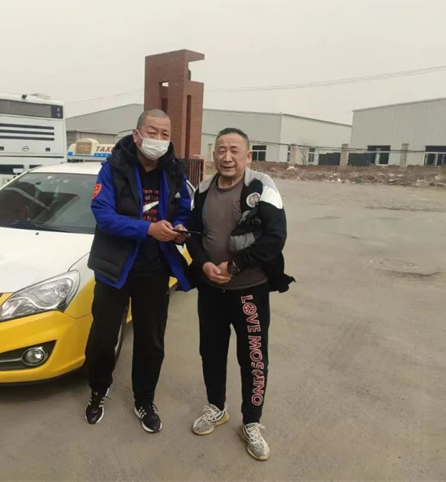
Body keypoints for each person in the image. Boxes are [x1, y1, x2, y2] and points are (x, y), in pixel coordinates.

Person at [187, 128, 294, 460]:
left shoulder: (262, 186)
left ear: (248, 156)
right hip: (211, 291)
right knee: (211, 352)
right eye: (221, 150)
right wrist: (204, 264)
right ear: (214, 154)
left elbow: (275, 237)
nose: (227, 157)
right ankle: (216, 407)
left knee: (254, 358)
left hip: (249, 292)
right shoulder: (203, 189)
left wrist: (235, 266)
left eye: (235, 150)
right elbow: (193, 235)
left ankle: (251, 422)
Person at [84, 109, 193, 433]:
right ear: (137, 135)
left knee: (151, 340)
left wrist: (180, 227)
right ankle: (98, 390)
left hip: (154, 269)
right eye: (152, 132)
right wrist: (147, 230)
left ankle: (144, 399)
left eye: (165, 134)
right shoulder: (113, 168)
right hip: (114, 268)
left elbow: (185, 210)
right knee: (104, 337)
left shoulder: (174, 171)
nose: (158, 139)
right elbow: (103, 215)